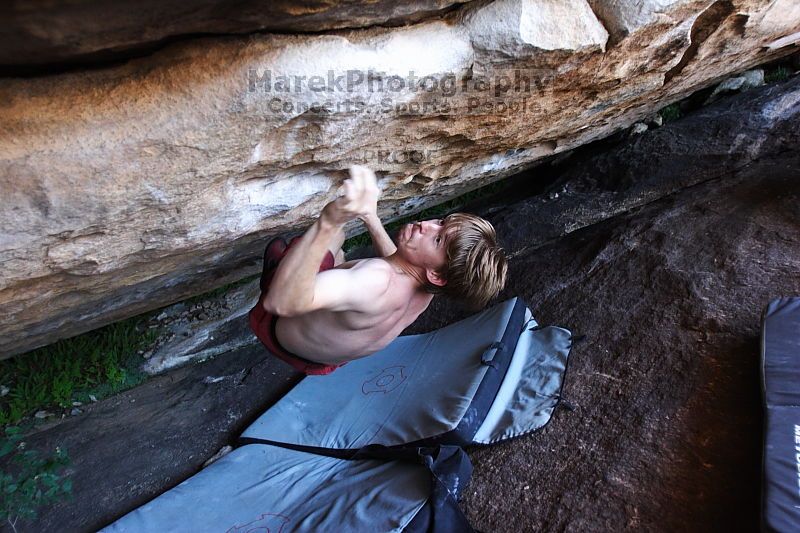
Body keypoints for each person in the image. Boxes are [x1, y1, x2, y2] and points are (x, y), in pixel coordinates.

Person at [249, 165, 508, 375]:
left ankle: (277, 272)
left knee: (335, 237)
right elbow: (394, 262)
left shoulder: (373, 279)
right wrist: (370, 217)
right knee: (340, 258)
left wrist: (328, 223)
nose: (426, 225)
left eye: (437, 240)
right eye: (441, 223)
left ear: (437, 275)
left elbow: (282, 303)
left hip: (276, 325)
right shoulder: (430, 289)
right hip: (320, 359)